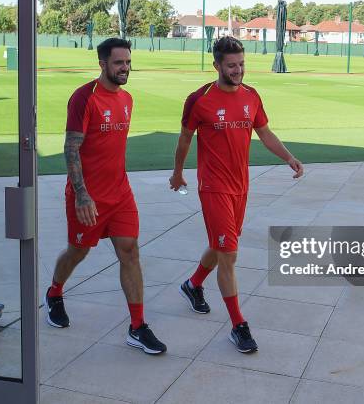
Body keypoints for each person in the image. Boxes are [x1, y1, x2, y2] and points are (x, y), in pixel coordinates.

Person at [169, 36, 304, 353]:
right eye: (231, 65)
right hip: (213, 187)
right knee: (229, 253)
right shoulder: (199, 99)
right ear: (217, 65)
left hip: (241, 186)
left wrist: (288, 157)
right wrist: (177, 172)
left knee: (221, 246)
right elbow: (185, 139)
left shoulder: (252, 96)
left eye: (242, 64)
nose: (238, 70)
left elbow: (265, 132)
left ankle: (193, 285)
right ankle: (238, 325)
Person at [45, 38, 166, 355]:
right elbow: (71, 148)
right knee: (78, 251)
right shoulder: (85, 98)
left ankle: (137, 327)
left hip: (120, 194)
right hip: (88, 197)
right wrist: (82, 195)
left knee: (130, 252)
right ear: (102, 64)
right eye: (118, 63)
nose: (125, 68)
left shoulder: (127, 99)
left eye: (128, 62)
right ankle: (55, 292)